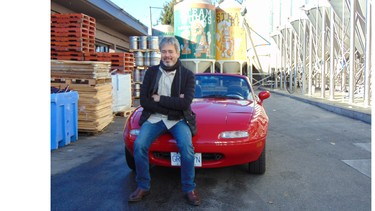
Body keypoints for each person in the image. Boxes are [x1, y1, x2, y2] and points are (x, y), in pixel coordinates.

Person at [128, 36, 201, 206]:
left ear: (178, 53)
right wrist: (172, 103)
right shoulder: (151, 72)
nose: (167, 55)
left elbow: (184, 103)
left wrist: (159, 98)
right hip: (154, 118)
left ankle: (189, 188)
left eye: (170, 52)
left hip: (178, 119)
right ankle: (143, 185)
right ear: (160, 53)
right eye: (164, 52)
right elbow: (144, 102)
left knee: (187, 148)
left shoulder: (188, 75)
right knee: (139, 145)